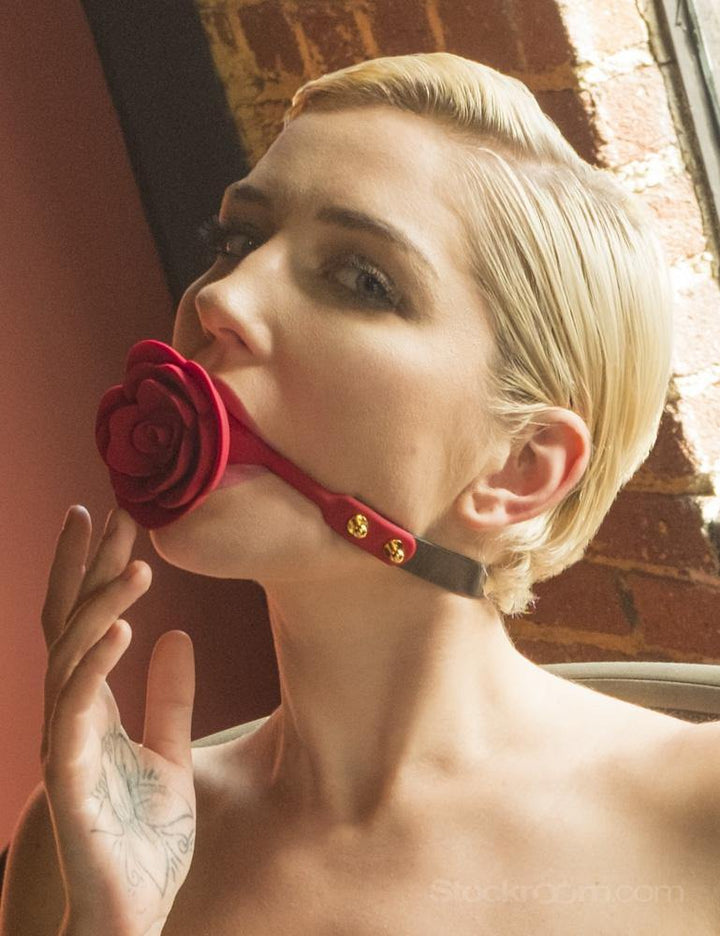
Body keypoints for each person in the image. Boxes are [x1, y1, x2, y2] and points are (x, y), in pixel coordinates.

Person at [1, 51, 717, 935]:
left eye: (362, 280)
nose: (222, 298)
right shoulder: (86, 841)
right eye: (235, 241)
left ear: (520, 468)